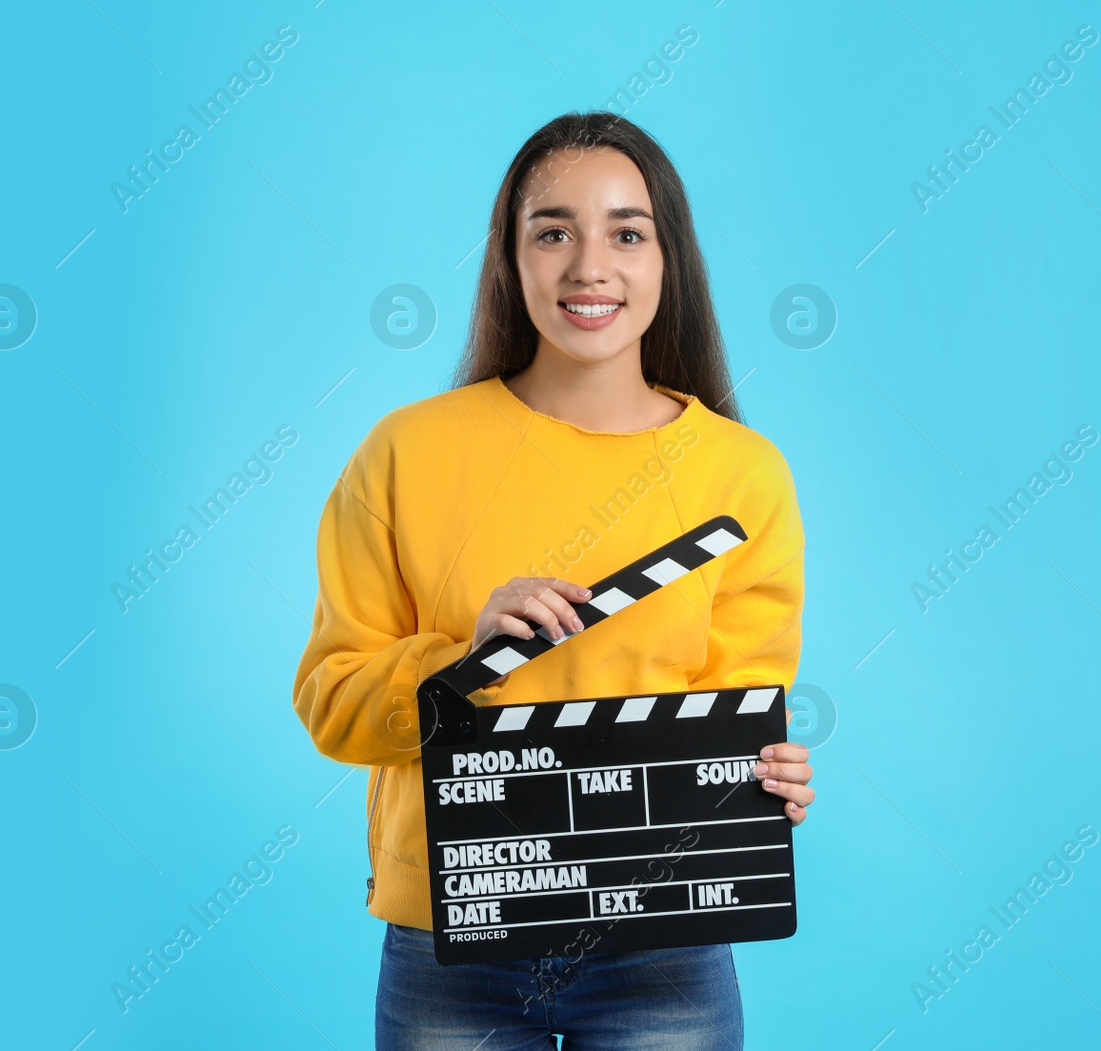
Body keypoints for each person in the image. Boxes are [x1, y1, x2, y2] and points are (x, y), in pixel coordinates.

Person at [292, 110, 815, 1050]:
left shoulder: (745, 476)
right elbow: (333, 700)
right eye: (553, 231)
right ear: (510, 256)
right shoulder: (406, 453)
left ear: (669, 260)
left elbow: (742, 705)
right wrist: (464, 661)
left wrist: (761, 785)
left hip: (663, 941)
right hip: (454, 928)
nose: (590, 266)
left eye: (626, 231)